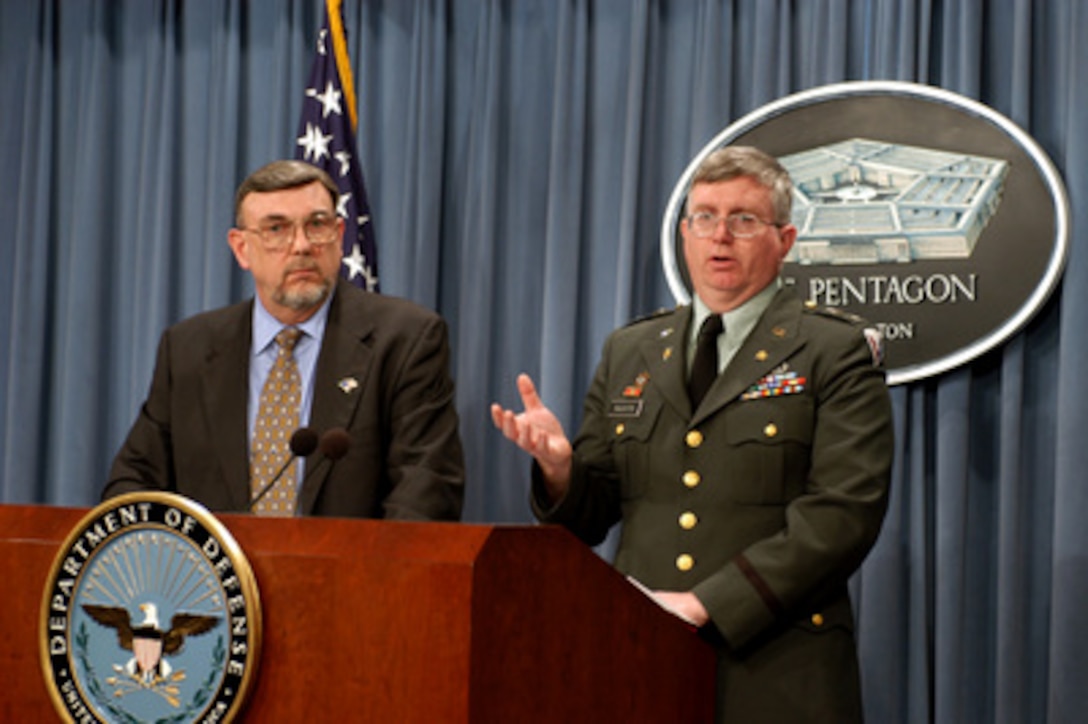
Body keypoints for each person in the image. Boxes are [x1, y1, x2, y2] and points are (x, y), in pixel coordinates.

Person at [491, 146, 893, 722]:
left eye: (743, 220)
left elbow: (842, 514)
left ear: (785, 240)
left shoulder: (834, 350)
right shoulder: (631, 350)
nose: (720, 236)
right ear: (684, 234)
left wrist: (709, 603)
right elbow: (593, 512)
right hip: (641, 659)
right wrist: (559, 471)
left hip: (778, 670)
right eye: (704, 217)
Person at [106, 160, 464, 520]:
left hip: (353, 574)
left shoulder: (405, 339)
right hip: (215, 575)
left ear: (340, 236)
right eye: (276, 229)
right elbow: (134, 483)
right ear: (242, 248)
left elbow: (426, 492)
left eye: (317, 225)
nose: (302, 246)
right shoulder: (188, 349)